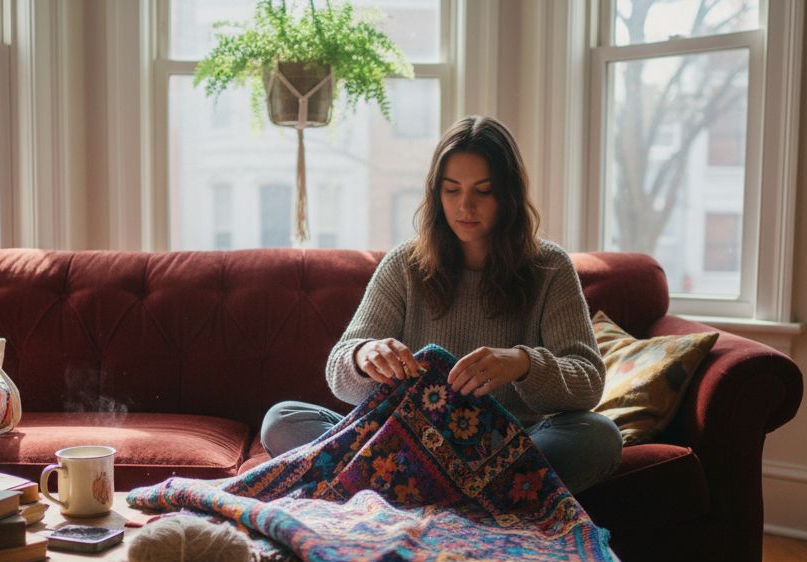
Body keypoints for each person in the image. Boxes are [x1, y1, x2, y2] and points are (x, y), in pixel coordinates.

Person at [260, 115, 621, 493]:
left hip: (507, 446)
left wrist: (522, 364)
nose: (465, 206)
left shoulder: (550, 267)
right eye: (452, 190)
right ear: (436, 193)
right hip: (403, 444)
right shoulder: (404, 263)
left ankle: (411, 493)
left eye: (483, 191)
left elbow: (588, 382)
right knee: (281, 418)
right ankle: (473, 497)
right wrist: (365, 356)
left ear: (508, 194)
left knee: (598, 434)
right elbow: (339, 368)